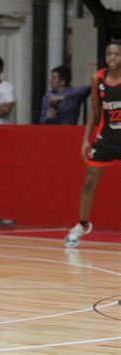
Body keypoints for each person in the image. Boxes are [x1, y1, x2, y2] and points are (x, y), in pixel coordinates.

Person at [64, 40, 121, 248]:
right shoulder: (98, 79)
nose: (112, 58)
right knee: (89, 181)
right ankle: (81, 225)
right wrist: (85, 139)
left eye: (116, 54)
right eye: (109, 55)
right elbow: (95, 112)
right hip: (105, 138)